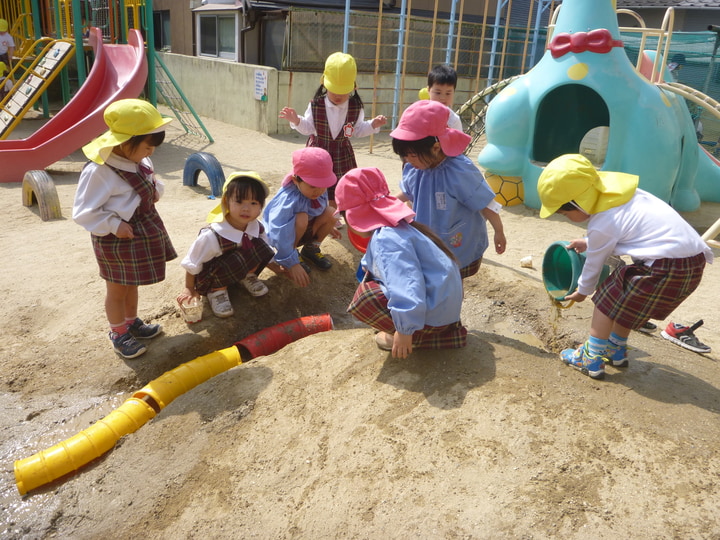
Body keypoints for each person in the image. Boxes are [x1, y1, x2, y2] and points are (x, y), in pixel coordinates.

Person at [537, 154, 713, 380]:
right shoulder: (625, 197)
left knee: (605, 298)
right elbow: (628, 232)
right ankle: (615, 348)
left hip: (666, 265)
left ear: (579, 202)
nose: (566, 218)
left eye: (564, 212)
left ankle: (591, 357)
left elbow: (594, 262)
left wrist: (583, 290)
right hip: (690, 264)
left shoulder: (602, 222)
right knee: (624, 301)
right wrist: (589, 242)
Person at [72, 99, 176, 360]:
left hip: (140, 228)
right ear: (125, 140)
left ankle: (131, 322)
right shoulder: (100, 170)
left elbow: (149, 180)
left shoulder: (139, 160)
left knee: (132, 284)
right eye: (147, 146)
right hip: (114, 238)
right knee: (117, 288)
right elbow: (84, 212)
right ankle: (118, 332)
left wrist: (155, 191)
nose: (150, 152)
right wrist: (114, 225)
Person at [335, 167, 466, 358]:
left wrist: (404, 330)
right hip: (445, 312)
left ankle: (418, 336)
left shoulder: (386, 239)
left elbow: (407, 283)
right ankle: (431, 331)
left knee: (366, 297)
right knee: (369, 276)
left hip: (433, 319)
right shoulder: (401, 227)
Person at [390, 99, 506, 279]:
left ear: (435, 148)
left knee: (453, 280)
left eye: (412, 154)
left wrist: (499, 231)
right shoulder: (415, 167)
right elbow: (407, 191)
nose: (408, 160)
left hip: (459, 244)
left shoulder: (459, 171)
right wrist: (387, 206)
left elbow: (485, 202)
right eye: (404, 155)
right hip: (429, 240)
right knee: (433, 279)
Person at [278, 52, 387, 203]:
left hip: (342, 154)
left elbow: (358, 130)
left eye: (343, 92)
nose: (338, 96)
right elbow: (308, 128)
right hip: (318, 153)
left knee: (341, 187)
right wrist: (296, 120)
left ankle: (335, 214)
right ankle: (314, 211)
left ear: (353, 88)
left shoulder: (356, 107)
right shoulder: (316, 105)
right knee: (314, 186)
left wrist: (373, 125)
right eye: (333, 90)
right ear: (324, 84)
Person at [178, 172, 282, 318]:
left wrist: (279, 268)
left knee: (262, 247)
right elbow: (192, 262)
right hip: (213, 276)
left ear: (261, 206)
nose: (246, 209)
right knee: (234, 259)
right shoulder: (212, 235)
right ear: (226, 202)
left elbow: (265, 251)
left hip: (237, 268)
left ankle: (248, 276)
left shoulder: (256, 226)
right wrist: (189, 288)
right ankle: (217, 292)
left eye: (253, 203)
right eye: (239, 202)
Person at [263, 147, 340, 286]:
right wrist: (292, 263)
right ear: (295, 180)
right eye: (313, 186)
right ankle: (294, 254)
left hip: (305, 231)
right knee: (302, 217)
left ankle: (311, 249)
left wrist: (328, 225)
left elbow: (321, 210)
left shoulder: (318, 188)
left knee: (332, 212)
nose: (319, 190)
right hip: (287, 238)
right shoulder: (288, 199)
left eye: (323, 185)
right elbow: (279, 232)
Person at [424, 64, 463, 131]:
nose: (442, 98)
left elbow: (459, 141)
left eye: (448, 93)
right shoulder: (419, 114)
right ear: (428, 90)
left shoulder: (453, 121)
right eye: (438, 93)